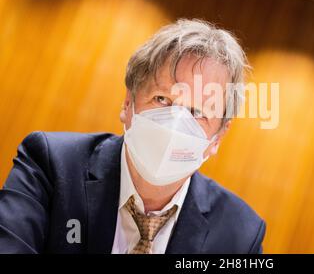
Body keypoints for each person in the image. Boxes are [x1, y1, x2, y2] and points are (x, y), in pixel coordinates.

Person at [0, 19, 266, 254]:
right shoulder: (52, 165)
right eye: (162, 99)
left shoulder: (239, 235)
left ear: (217, 138)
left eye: (197, 112)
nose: (175, 124)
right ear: (128, 103)